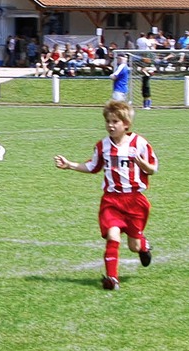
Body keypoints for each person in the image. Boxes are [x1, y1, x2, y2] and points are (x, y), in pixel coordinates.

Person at [53, 100, 158, 290]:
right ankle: (112, 278)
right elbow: (93, 166)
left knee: (133, 246)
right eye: (108, 121)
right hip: (112, 200)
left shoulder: (140, 144)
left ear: (126, 124)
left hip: (135, 200)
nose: (110, 125)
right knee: (113, 235)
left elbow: (152, 169)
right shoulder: (103, 146)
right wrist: (70, 165)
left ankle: (143, 245)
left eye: (115, 121)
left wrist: (141, 163)